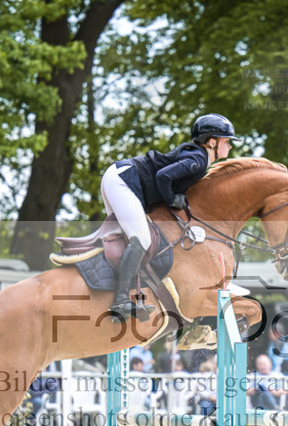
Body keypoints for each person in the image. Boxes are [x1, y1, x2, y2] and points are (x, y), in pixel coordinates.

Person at [100, 113, 238, 321]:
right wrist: (173, 198)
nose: (229, 146)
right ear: (212, 142)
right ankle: (120, 300)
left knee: (127, 241)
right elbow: (163, 176)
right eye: (226, 141)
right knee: (142, 240)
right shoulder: (199, 160)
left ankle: (120, 293)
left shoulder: (198, 158)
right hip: (124, 181)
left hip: (119, 178)